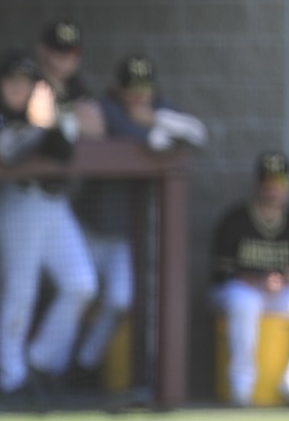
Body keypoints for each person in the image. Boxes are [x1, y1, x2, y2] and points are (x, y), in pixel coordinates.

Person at [0, 50, 95, 395]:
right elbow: (7, 152)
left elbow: (65, 151)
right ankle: (11, 379)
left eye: (26, 82)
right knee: (20, 290)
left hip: (52, 203)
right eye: (12, 81)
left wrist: (54, 118)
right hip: (16, 201)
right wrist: (38, 124)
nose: (18, 89)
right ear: (0, 83)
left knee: (81, 284)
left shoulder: (46, 105)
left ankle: (36, 362)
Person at [72, 55, 209, 381]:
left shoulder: (157, 108)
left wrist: (155, 118)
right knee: (75, 293)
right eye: (131, 89)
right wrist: (152, 127)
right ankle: (54, 366)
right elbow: (147, 140)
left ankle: (84, 363)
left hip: (121, 235)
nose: (138, 96)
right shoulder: (106, 107)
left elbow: (198, 134)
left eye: (144, 88)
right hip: (86, 228)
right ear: (118, 88)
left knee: (121, 300)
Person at [209, 152, 289, 416]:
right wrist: (258, 280)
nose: (273, 190)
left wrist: (281, 280)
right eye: (268, 183)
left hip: (277, 292)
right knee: (246, 302)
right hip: (235, 291)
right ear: (257, 185)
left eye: (279, 183)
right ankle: (241, 387)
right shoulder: (235, 220)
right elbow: (222, 273)